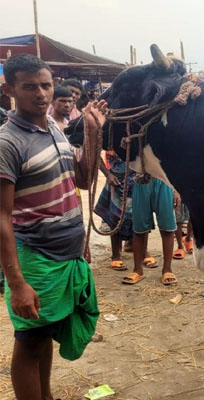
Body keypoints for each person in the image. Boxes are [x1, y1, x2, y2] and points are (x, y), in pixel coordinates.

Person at [0, 53, 104, 400]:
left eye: (45, 85)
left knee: (42, 336)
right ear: (9, 89)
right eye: (30, 87)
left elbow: (85, 180)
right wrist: (16, 284)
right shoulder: (7, 142)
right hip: (36, 258)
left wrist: (92, 132)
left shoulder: (56, 132)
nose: (41, 94)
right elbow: (1, 218)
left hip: (65, 254)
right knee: (29, 341)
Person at [123, 177, 181, 285]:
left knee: (167, 229)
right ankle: (137, 270)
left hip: (165, 181)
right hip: (141, 180)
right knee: (139, 229)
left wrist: (176, 190)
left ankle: (167, 269)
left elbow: (177, 163)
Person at [93, 151, 136, 270]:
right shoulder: (109, 134)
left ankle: (137, 249)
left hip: (137, 177)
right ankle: (116, 255)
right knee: (115, 216)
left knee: (140, 214)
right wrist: (107, 174)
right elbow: (94, 153)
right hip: (116, 178)